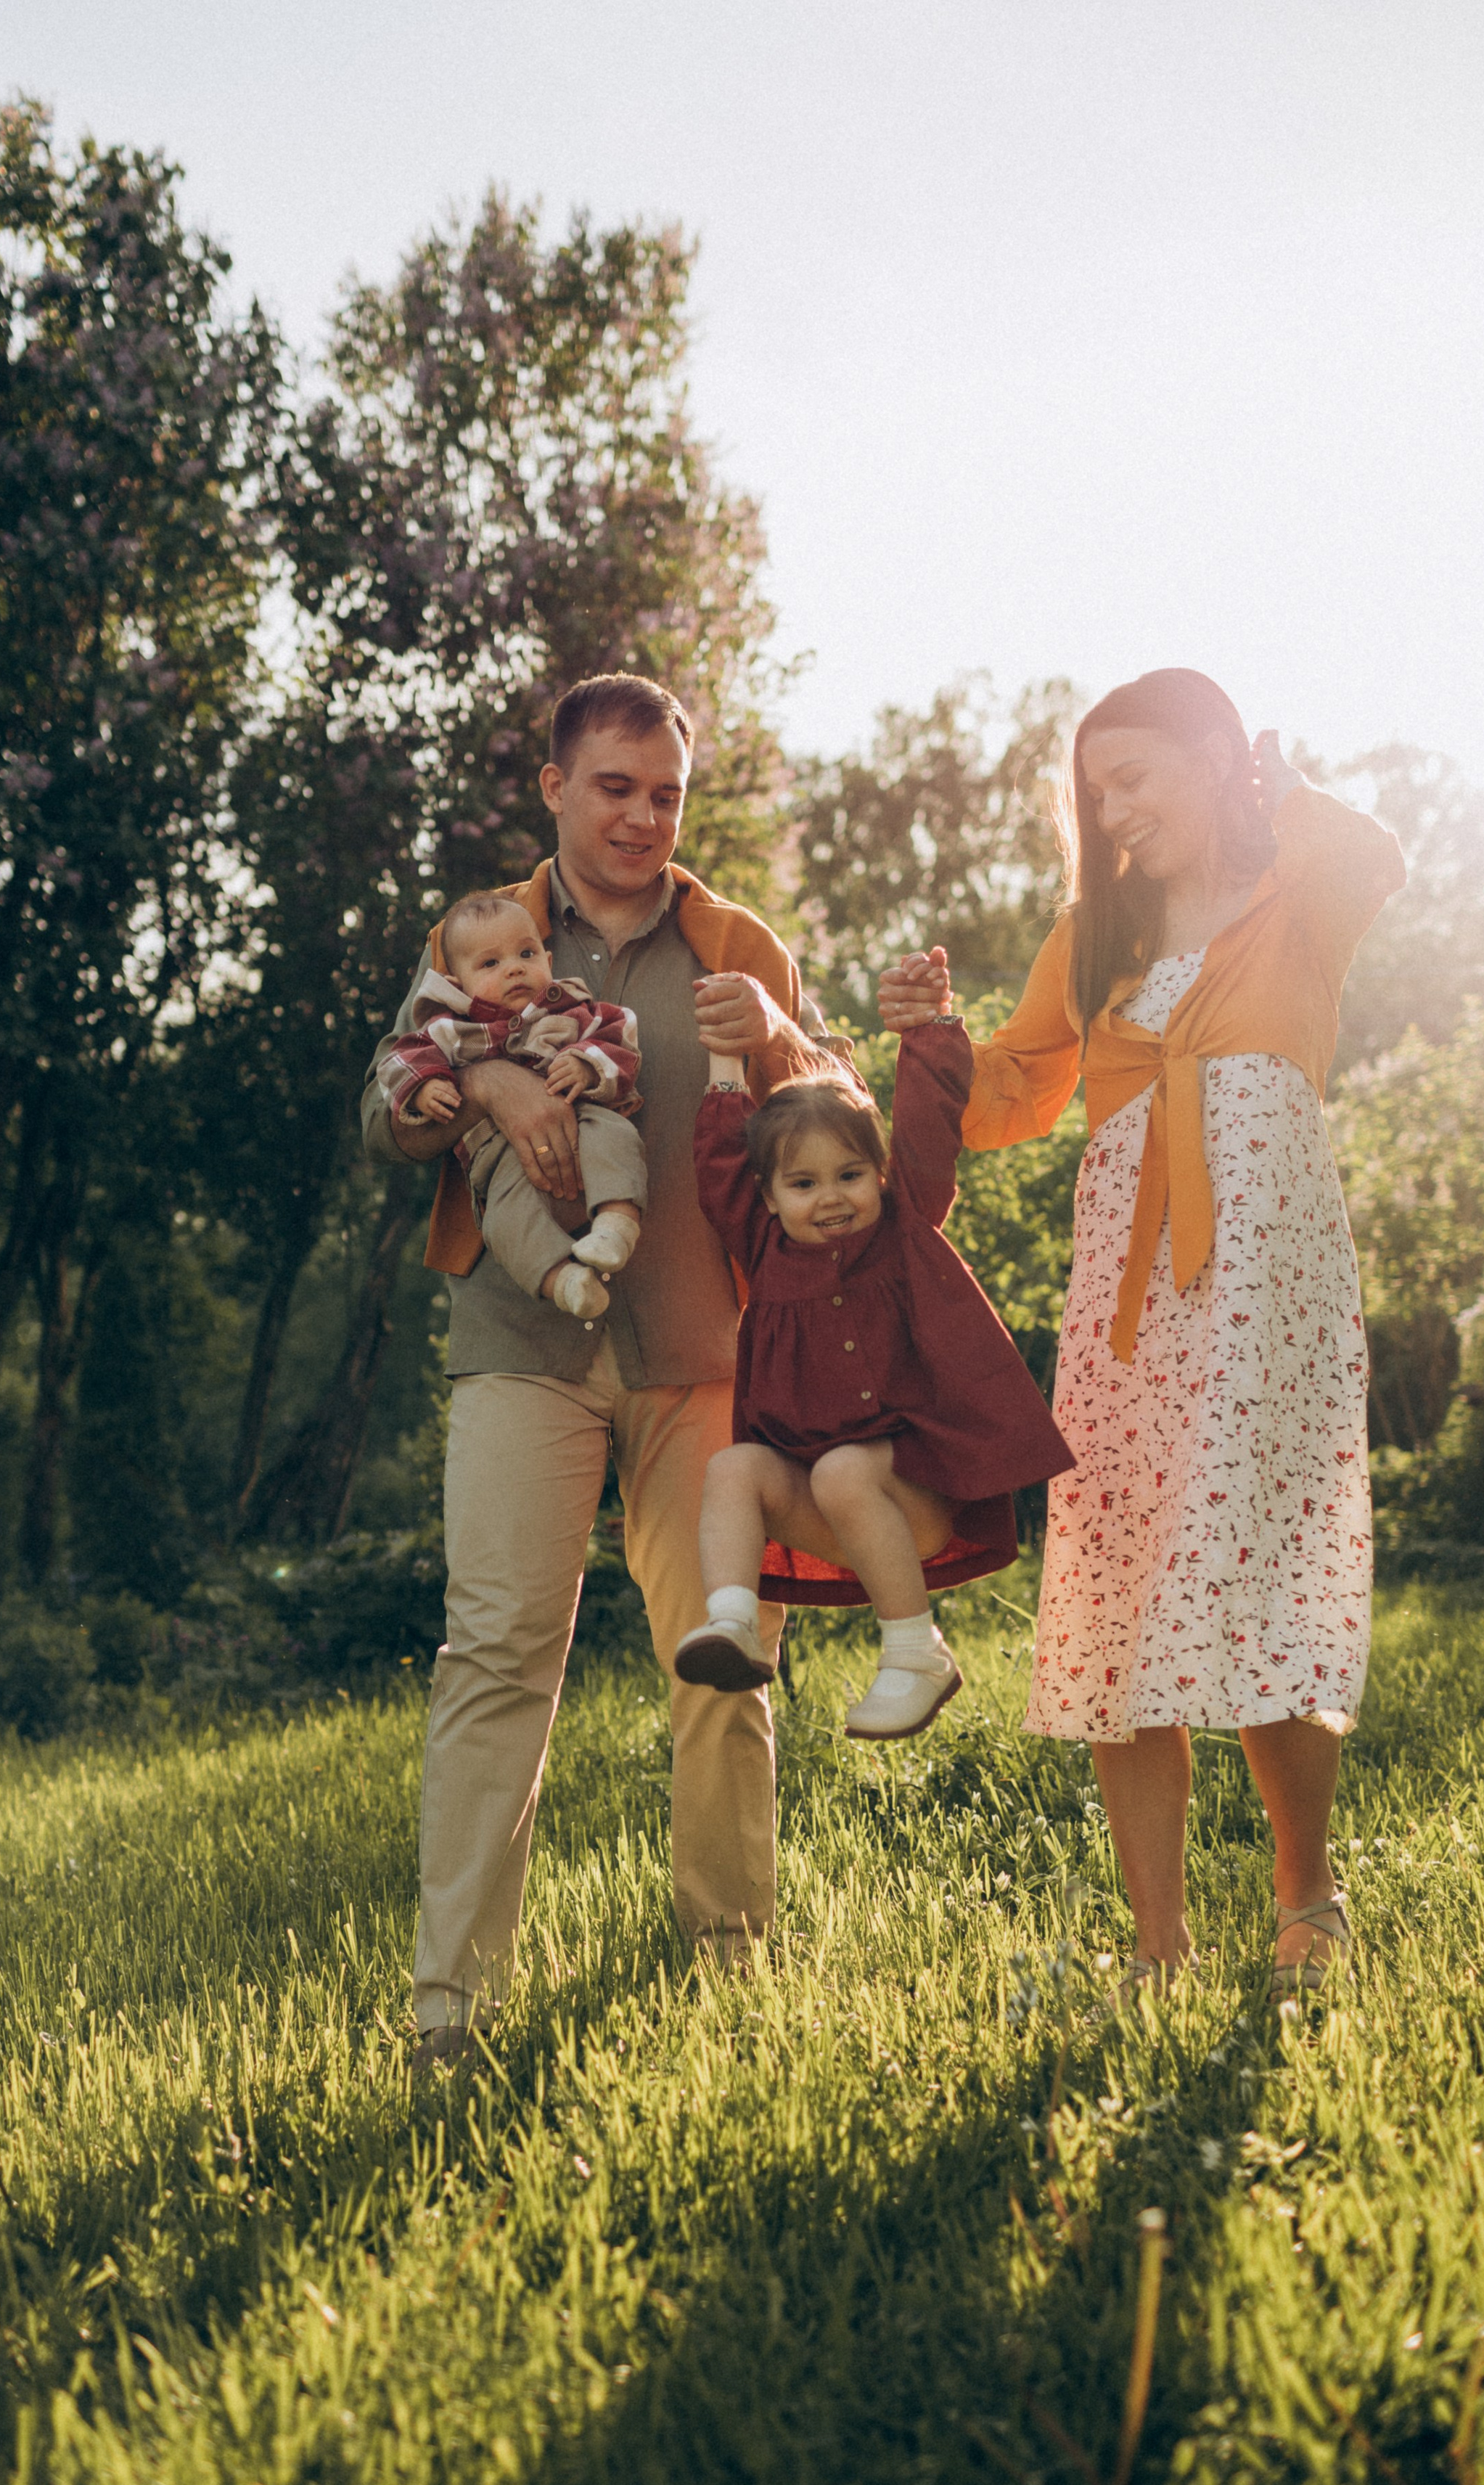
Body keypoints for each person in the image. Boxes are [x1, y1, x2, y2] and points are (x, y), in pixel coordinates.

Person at [880, 668, 1406, 1999]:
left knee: (1258, 1569)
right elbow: (1010, 1097)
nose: (1113, 808)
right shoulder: (1093, 935)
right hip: (1127, 1292)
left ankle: (1306, 1899)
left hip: (1265, 1280)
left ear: (1216, 760)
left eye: (1140, 777)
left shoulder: (1299, 894)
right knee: (1120, 1584)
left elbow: (1377, 855)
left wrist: (1266, 785)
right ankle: (1160, 1947)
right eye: (1096, 788)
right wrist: (933, 1039)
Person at [363, 672, 848, 2072]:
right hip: (524, 1347)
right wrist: (489, 1086)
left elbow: (833, 1132)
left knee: (725, 1659)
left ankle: (731, 1967)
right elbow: (386, 1106)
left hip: (706, 1358)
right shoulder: (482, 935)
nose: (642, 817)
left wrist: (790, 1044)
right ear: (558, 788)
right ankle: (449, 2004)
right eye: (615, 787)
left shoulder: (736, 939)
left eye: (666, 794)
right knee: (500, 1651)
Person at [675, 1028, 1075, 1735]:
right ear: (765, 1197)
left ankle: (915, 1653)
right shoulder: (763, 1249)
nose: (829, 1198)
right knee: (735, 1467)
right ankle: (733, 1622)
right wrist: (723, 1060)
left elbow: (927, 1129)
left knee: (840, 1471)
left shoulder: (901, 1228)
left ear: (881, 1174)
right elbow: (718, 1167)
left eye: (849, 1175)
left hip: (913, 1494)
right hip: (834, 1504)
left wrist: (928, 1028)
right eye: (802, 1184)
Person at [376, 891, 645, 1322]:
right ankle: (562, 1280)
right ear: (458, 985)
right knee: (503, 1221)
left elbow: (618, 1037)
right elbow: (399, 1062)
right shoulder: (449, 1029)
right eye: (490, 964)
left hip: (582, 1116)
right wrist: (425, 1087)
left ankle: (616, 1225)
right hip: (497, 1158)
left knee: (617, 1136)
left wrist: (588, 1065)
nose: (515, 968)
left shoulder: (569, 1007)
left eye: (526, 953)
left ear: (549, 961)